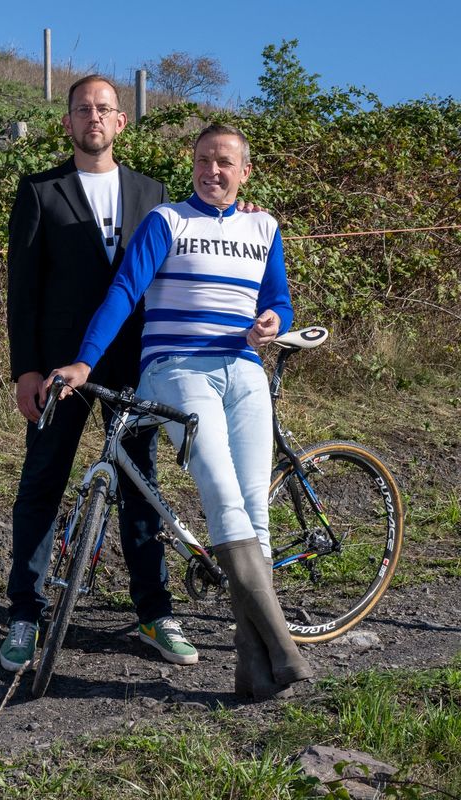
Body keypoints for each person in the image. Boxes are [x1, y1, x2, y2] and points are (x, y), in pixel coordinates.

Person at [47, 123, 314, 699]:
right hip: (177, 370)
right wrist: (85, 362)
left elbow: (279, 300)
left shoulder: (264, 227)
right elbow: (123, 291)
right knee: (220, 493)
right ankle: (284, 649)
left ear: (245, 171)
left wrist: (275, 322)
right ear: (192, 165)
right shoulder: (168, 221)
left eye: (224, 163)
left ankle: (252, 668)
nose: (212, 171)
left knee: (254, 512)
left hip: (246, 371)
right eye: (203, 160)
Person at [1, 74, 197, 673]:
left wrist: (248, 214)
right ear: (68, 122)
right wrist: (27, 370)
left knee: (142, 487)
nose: (93, 116)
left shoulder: (153, 193)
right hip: (62, 367)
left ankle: (154, 614)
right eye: (83, 108)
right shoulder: (40, 191)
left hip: (133, 362)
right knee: (43, 483)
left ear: (120, 123)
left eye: (104, 108)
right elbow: (23, 291)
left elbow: (195, 245)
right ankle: (25, 617)